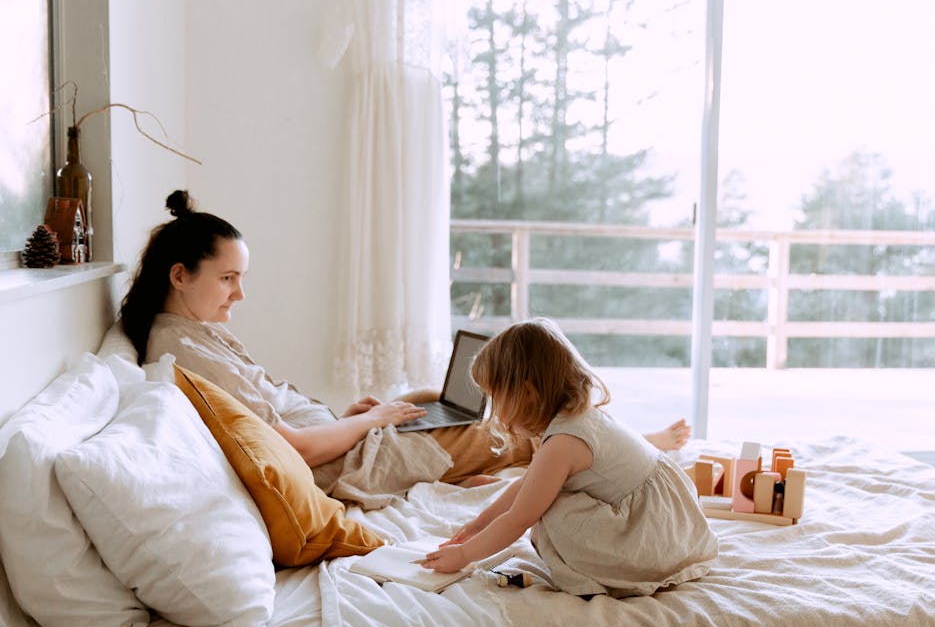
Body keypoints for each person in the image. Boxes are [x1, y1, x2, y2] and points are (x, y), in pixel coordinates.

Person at [119, 190, 692, 497]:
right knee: (500, 425)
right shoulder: (182, 355)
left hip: (346, 441)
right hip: (351, 462)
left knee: (429, 395)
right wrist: (368, 426)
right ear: (179, 275)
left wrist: (351, 415)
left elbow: (280, 420)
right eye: (227, 278)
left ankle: (577, 446)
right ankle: (629, 447)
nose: (239, 294)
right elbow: (295, 451)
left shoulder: (195, 336)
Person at [421, 317, 718, 598]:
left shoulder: (563, 442)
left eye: (496, 398)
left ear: (527, 394)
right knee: (539, 492)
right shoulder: (578, 417)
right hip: (672, 532)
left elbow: (520, 518)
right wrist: (476, 526)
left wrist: (464, 555)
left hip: (650, 543)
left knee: (551, 507)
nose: (495, 411)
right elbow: (524, 485)